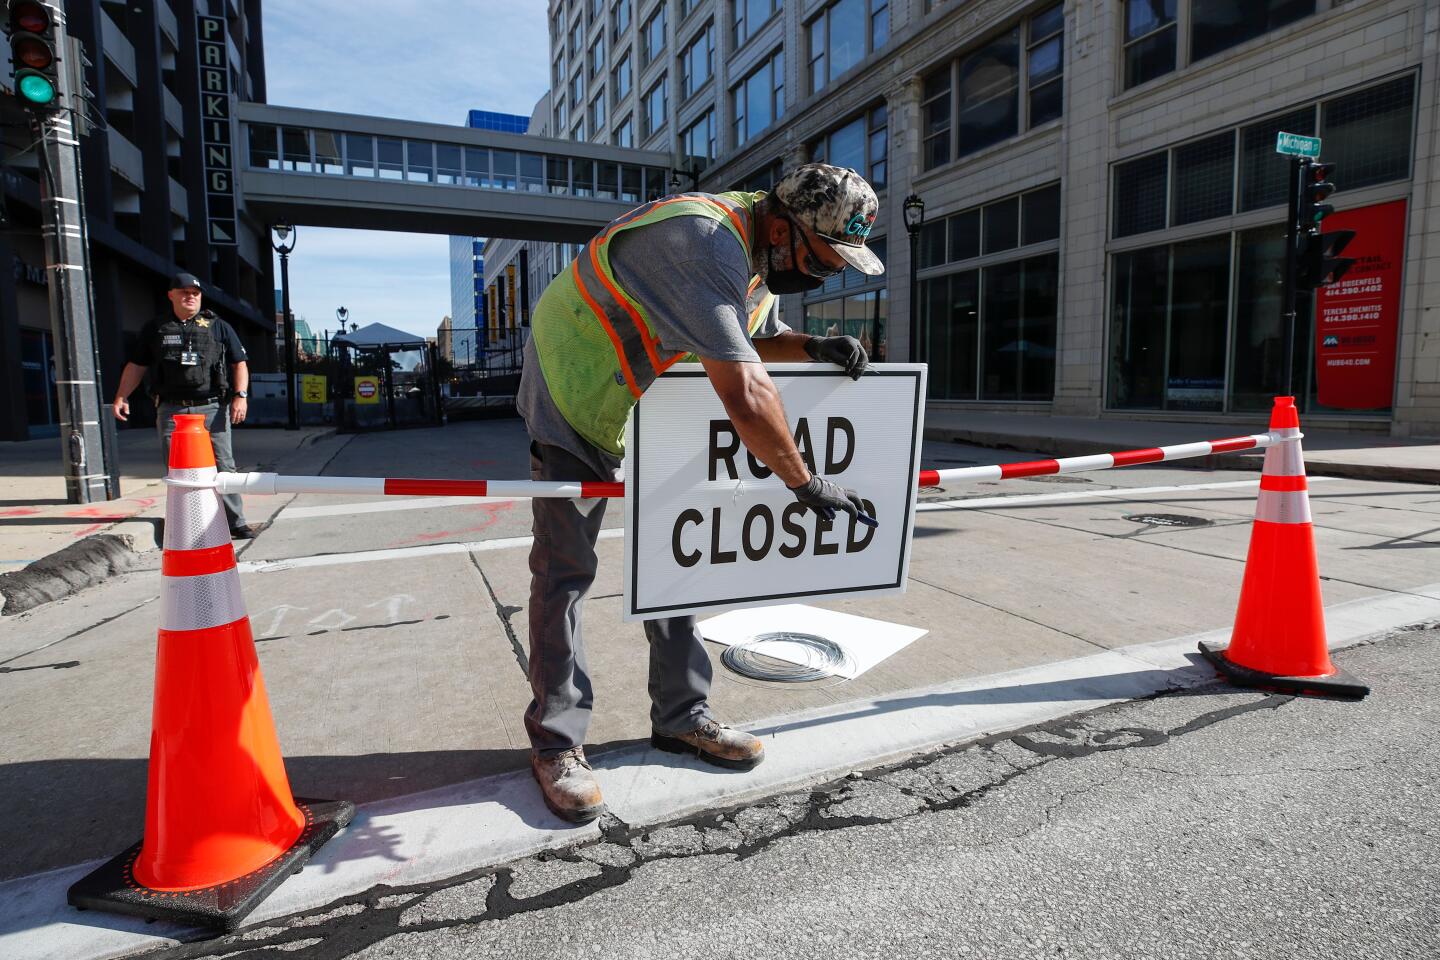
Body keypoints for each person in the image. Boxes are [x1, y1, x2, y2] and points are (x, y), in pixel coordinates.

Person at [518, 162, 885, 822]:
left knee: (676, 563)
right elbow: (745, 390)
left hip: (655, 402)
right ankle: (557, 744)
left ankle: (682, 717)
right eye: (826, 262)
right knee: (566, 571)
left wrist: (813, 346)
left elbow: (753, 339)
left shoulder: (751, 254)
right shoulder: (702, 239)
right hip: (577, 387)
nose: (826, 277)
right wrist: (805, 482)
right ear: (782, 228)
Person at [112, 272, 258, 539]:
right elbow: (137, 366)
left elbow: (239, 363)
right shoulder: (156, 328)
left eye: (195, 293)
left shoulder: (218, 326)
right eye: (184, 292)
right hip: (172, 409)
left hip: (212, 407)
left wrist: (241, 396)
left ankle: (235, 522)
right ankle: (187, 524)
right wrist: (122, 396)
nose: (190, 297)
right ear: (171, 295)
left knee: (224, 466)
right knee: (177, 470)